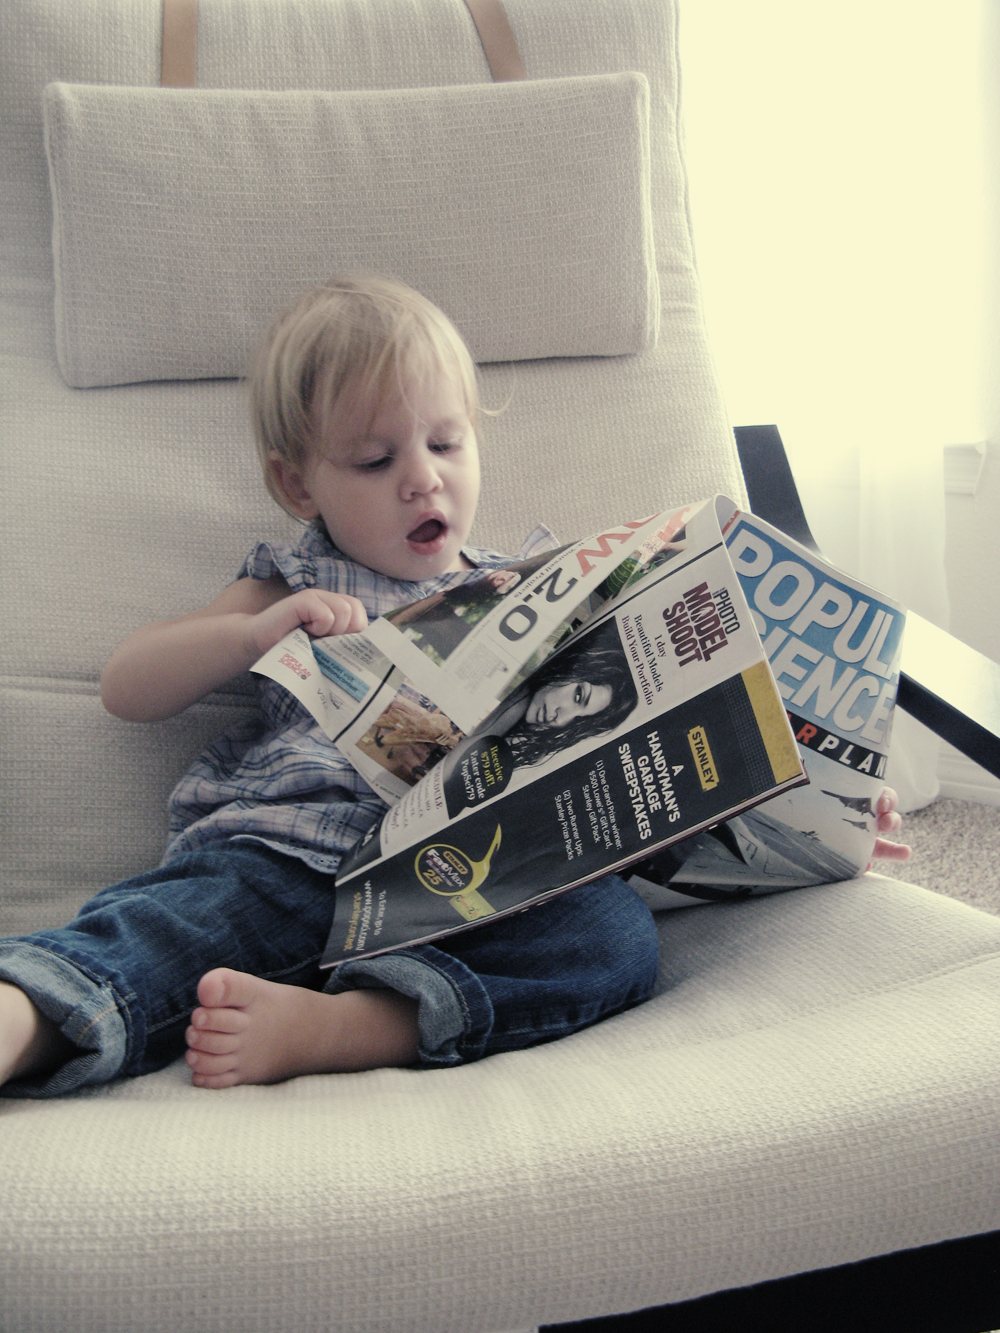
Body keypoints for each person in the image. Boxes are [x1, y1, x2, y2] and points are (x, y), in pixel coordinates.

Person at [0, 275, 910, 1097]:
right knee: (159, 931)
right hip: (290, 855)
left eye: (445, 441)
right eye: (374, 460)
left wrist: (824, 804)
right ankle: (25, 1018)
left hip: (472, 883)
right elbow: (129, 684)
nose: (422, 478)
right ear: (297, 483)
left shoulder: (535, 585)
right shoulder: (293, 578)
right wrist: (251, 632)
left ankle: (363, 1025)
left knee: (612, 940)